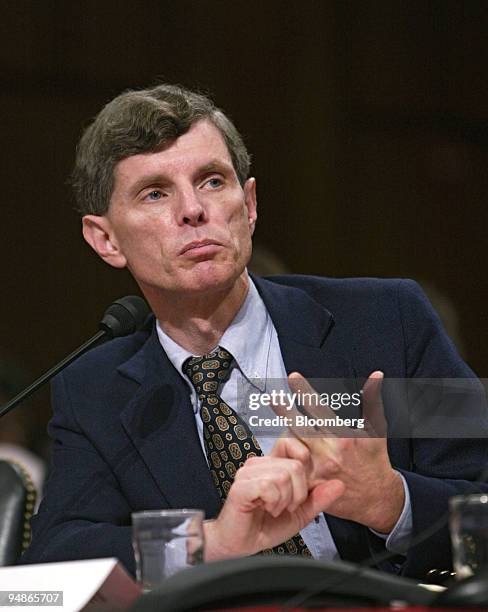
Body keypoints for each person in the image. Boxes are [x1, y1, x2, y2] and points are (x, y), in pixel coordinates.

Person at [23, 84, 488, 579]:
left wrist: (391, 501)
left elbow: (479, 488)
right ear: (106, 239)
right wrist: (211, 543)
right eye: (155, 192)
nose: (193, 210)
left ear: (248, 206)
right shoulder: (96, 390)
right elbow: (52, 567)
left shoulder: (385, 323)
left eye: (212, 181)